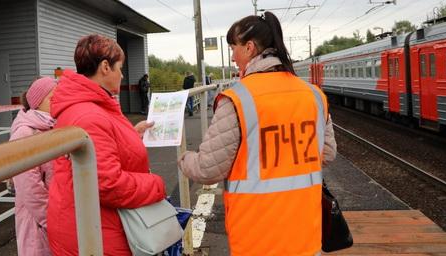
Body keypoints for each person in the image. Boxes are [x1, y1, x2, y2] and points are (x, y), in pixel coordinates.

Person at [178, 12, 337, 255]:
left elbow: (207, 169)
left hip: (257, 236)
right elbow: (327, 152)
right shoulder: (313, 95)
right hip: (306, 232)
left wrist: (183, 157)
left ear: (249, 48)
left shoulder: (237, 99)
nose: (232, 57)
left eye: (234, 48)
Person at [47, 34, 166, 255]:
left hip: (86, 224)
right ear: (105, 67)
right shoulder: (90, 114)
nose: (122, 74)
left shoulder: (86, 105)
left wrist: (130, 134)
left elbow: (102, 147)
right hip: (98, 233)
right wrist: (156, 185)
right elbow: (108, 185)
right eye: (120, 67)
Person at [9, 77, 57, 256]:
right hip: (37, 219)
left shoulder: (52, 126)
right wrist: (50, 220)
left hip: (54, 214)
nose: (57, 102)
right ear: (37, 103)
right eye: (52, 98)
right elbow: (29, 187)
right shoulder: (25, 132)